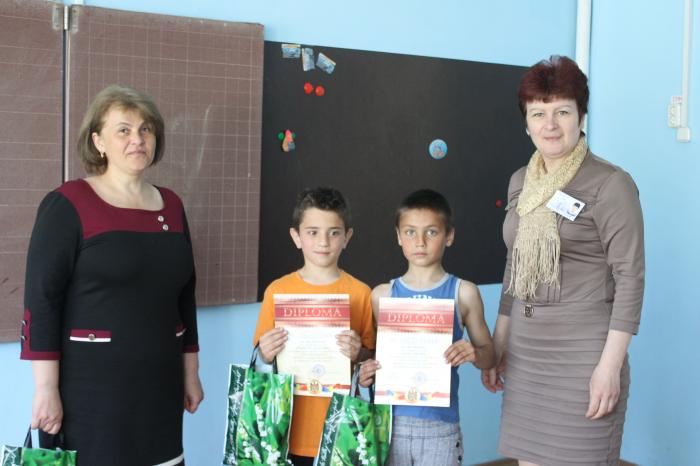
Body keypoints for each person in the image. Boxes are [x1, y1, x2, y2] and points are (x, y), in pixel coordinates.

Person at [20, 85, 204, 466]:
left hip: (159, 390)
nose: (138, 139)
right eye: (124, 130)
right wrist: (46, 389)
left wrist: (191, 373)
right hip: (89, 395)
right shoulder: (68, 204)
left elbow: (184, 297)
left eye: (145, 129)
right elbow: (42, 300)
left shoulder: (171, 205)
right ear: (98, 141)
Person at [481, 56, 644, 466]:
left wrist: (610, 366)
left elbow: (630, 277)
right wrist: (499, 343)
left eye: (562, 112)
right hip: (526, 352)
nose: (550, 124)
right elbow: (515, 266)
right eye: (539, 113)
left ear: (581, 116)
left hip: (584, 353)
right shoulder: (521, 181)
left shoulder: (611, 183)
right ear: (526, 123)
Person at [358, 189, 495, 466]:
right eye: (410, 232)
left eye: (431, 232)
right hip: (389, 423)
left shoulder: (463, 293)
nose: (419, 242)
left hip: (440, 427)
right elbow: (373, 356)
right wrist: (365, 372)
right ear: (398, 236)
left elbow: (489, 357)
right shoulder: (382, 295)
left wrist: (474, 353)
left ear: (449, 236)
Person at [253, 187, 375, 466]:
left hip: (342, 429)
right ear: (296, 237)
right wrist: (265, 353)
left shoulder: (360, 293)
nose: (323, 241)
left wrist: (359, 353)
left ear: (347, 237)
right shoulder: (278, 291)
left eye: (334, 232)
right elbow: (260, 362)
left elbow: (371, 359)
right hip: (286, 430)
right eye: (312, 232)